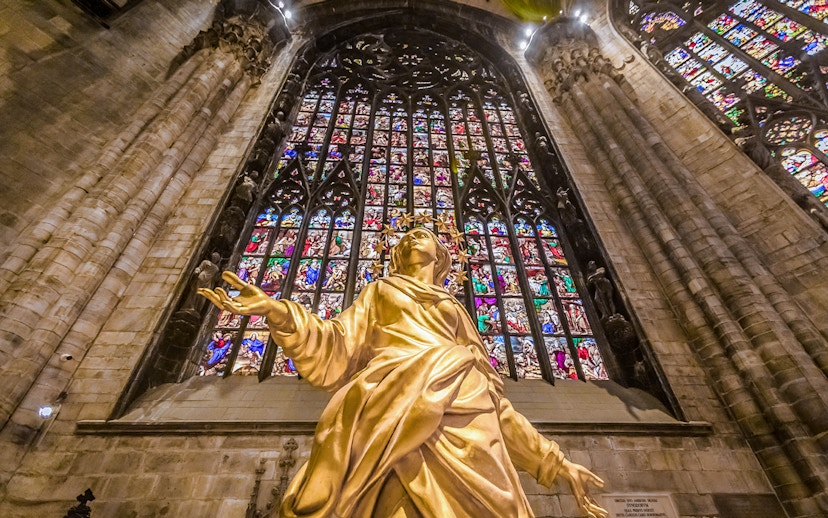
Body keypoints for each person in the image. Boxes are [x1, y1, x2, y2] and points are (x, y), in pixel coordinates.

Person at [200, 227, 606, 518]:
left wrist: (555, 463)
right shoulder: (379, 291)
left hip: (466, 415)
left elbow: (497, 404)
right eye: (406, 237)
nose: (413, 237)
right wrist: (279, 311)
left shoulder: (456, 310)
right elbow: (337, 343)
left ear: (441, 256)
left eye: (424, 235)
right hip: (384, 409)